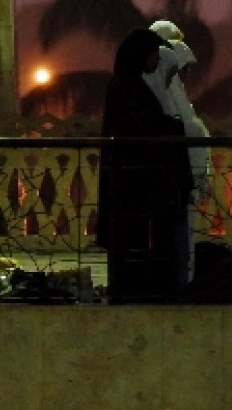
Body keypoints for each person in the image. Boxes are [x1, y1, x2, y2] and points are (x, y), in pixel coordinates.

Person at [97, 28, 193, 303]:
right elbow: (144, 128)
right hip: (131, 184)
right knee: (129, 244)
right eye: (152, 54)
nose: (154, 59)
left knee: (132, 244)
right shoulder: (127, 88)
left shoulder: (129, 86)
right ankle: (130, 293)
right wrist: (175, 128)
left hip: (132, 184)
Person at [148, 20, 212, 285]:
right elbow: (185, 129)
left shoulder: (174, 92)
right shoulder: (161, 90)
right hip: (174, 179)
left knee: (184, 239)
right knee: (177, 239)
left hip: (181, 179)